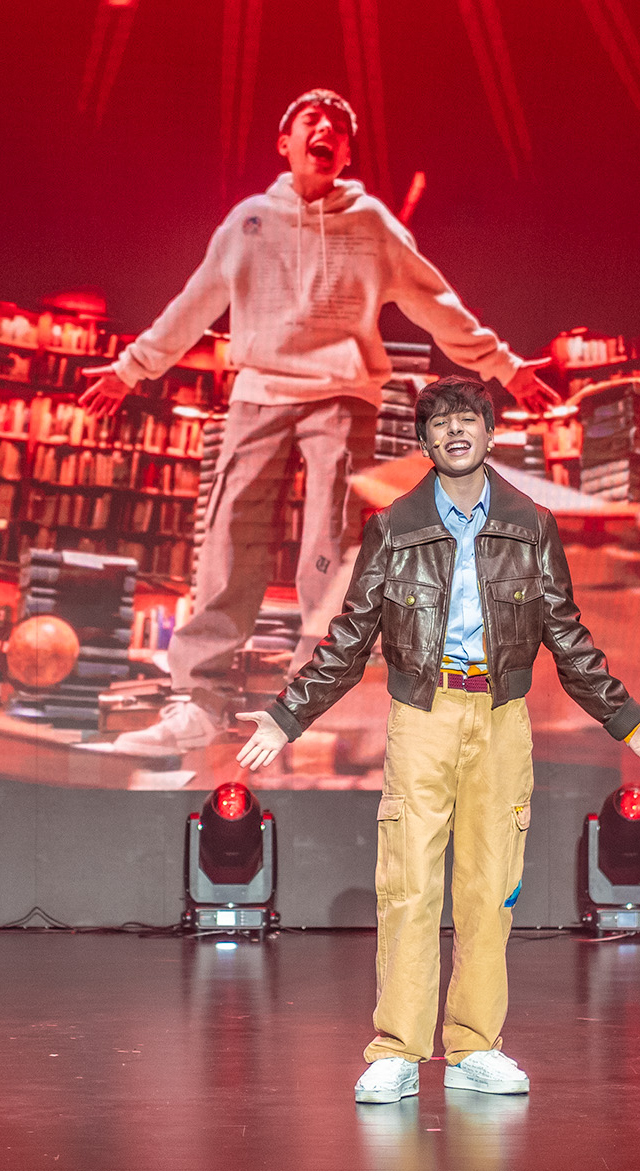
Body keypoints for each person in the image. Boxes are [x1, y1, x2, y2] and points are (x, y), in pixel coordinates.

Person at [234, 376, 640, 1102]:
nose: (454, 432)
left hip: (502, 717)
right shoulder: (393, 527)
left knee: (488, 888)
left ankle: (475, 1045)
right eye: (439, 424)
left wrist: (626, 717)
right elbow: (349, 637)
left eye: (466, 419)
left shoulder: (531, 523)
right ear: (424, 442)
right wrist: (287, 716)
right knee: (408, 883)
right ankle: (399, 1051)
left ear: (490, 433)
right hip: (424, 714)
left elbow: (566, 635)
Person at [80, 88, 558, 756]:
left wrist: (504, 367)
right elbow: (193, 305)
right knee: (230, 534)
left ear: (346, 153)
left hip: (342, 394)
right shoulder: (249, 221)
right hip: (259, 391)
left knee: (330, 547)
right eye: (311, 120)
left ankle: (314, 703)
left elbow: (437, 304)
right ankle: (198, 701)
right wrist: (131, 369)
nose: (324, 128)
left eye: (337, 125)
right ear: (286, 143)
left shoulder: (372, 224)